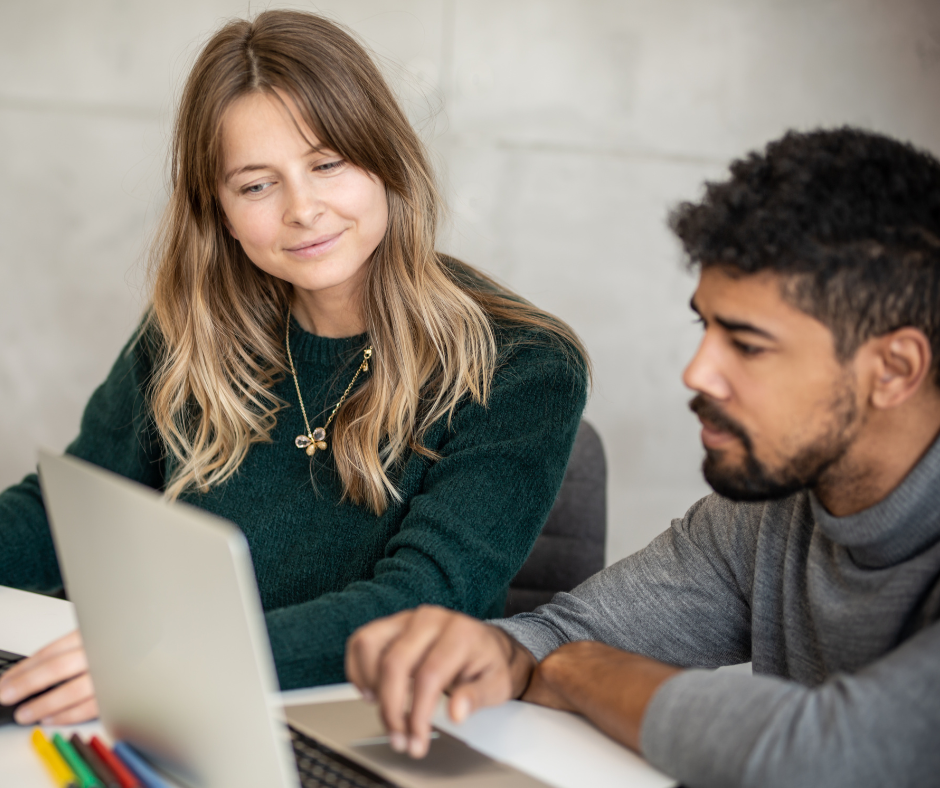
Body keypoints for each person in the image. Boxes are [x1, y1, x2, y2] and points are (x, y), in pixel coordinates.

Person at [0, 10, 589, 726]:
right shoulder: (192, 328)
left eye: (327, 163)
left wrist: (175, 658)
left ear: (385, 159)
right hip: (176, 711)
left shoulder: (522, 366)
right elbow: (70, 512)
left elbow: (425, 604)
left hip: (366, 728)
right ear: (217, 209)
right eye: (256, 185)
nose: (303, 210)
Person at [345, 127, 940, 788]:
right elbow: (562, 633)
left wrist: (582, 668)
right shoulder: (765, 517)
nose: (697, 372)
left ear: (894, 369)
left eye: (747, 345)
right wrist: (498, 649)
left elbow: (828, 757)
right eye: (704, 327)